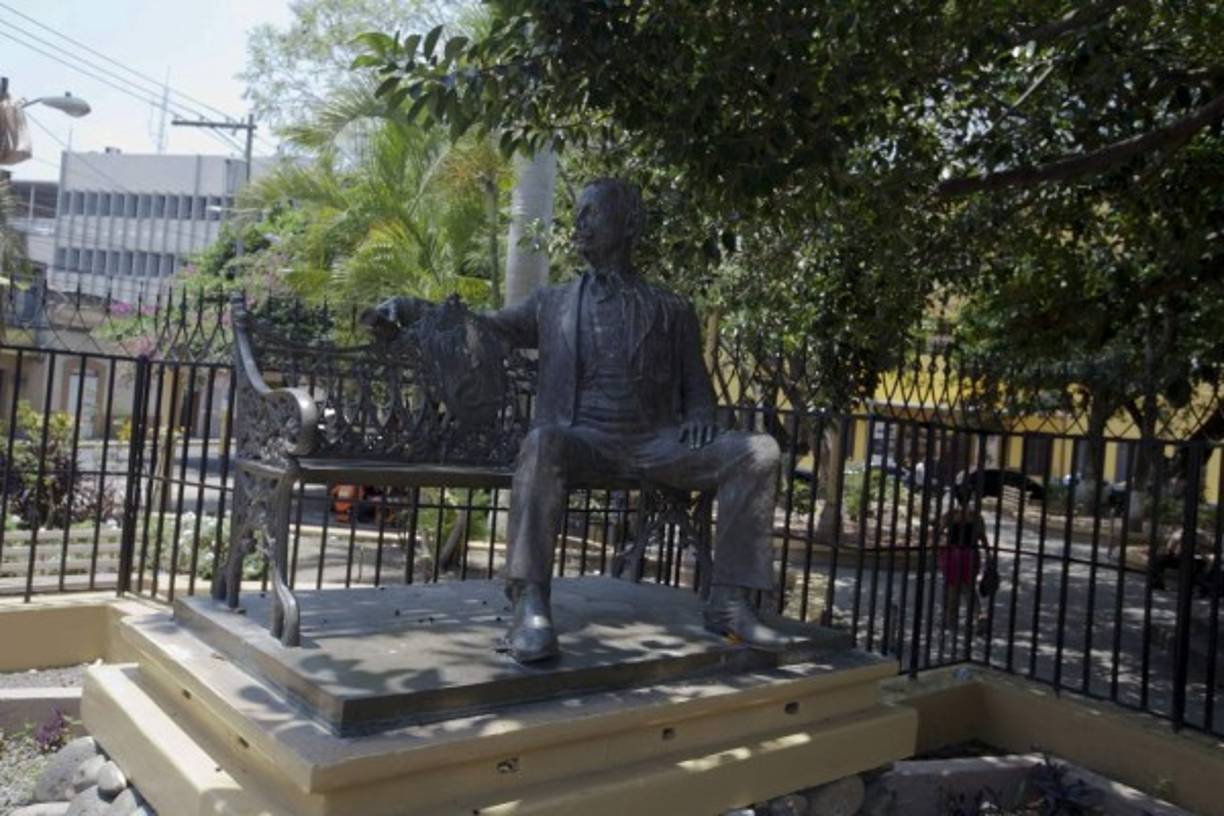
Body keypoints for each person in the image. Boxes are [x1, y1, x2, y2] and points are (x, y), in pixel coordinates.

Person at [480, 178, 794, 662]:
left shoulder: (672, 309)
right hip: (585, 441)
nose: (579, 224)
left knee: (758, 451)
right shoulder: (553, 303)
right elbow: (488, 327)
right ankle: (530, 602)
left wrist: (698, 418)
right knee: (543, 442)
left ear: (628, 224)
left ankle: (730, 602)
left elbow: (699, 395)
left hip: (656, 443)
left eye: (591, 213)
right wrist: (413, 313)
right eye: (577, 214)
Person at [931, 493, 990, 633]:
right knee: (969, 588)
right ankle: (979, 615)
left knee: (952, 588)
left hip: (954, 554)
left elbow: (937, 533)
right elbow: (983, 538)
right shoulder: (977, 517)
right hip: (971, 554)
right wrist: (989, 555)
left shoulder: (951, 515)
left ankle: (950, 621)